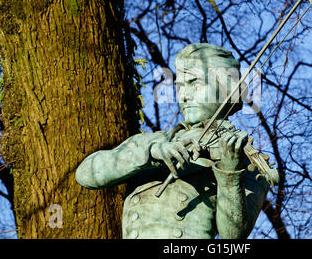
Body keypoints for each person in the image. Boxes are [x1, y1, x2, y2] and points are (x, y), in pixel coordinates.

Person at [76, 43, 269, 239]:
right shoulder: (150, 141)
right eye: (180, 86)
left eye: (195, 83)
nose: (184, 95)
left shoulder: (246, 161)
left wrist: (230, 173)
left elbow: (233, 235)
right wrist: (150, 153)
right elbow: (86, 174)